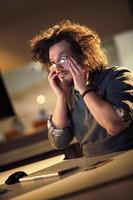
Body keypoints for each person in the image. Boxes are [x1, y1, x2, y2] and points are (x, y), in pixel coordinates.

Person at [30, 20, 133, 157]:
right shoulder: (69, 93)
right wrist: (61, 97)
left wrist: (83, 89)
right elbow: (59, 142)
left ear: (83, 55)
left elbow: (114, 126)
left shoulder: (117, 76)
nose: (57, 68)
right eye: (53, 63)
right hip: (92, 165)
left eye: (62, 59)